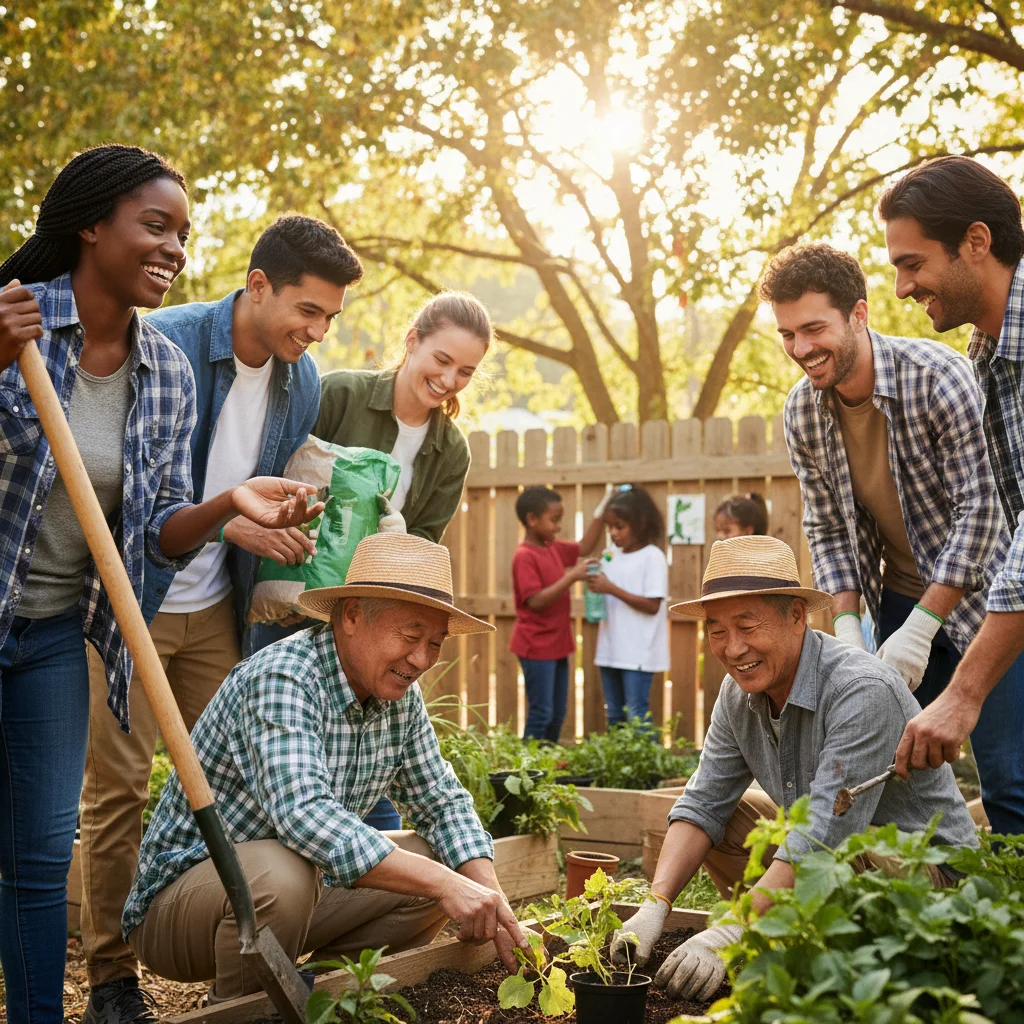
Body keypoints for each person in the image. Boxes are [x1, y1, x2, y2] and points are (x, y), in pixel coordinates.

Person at [0, 145, 323, 1024]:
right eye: (156, 225)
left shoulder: (167, 370)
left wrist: (227, 505)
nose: (175, 247)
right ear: (90, 223)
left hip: (64, 631)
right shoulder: (12, 322)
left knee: (34, 861)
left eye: (184, 232)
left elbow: (151, 530)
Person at [77, 214, 364, 1024]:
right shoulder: (160, 343)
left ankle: (240, 949)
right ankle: (107, 978)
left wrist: (283, 520)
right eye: (307, 311)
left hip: (217, 614)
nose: (317, 331)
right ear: (258, 285)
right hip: (131, 603)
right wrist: (227, 518)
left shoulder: (299, 381)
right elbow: (119, 497)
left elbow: (257, 497)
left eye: (330, 319)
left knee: (250, 781)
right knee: (120, 790)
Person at [122, 533, 530, 1002]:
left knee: (441, 858)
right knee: (284, 872)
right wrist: (447, 885)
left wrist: (491, 897)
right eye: (411, 636)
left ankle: (324, 997)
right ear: (352, 615)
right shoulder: (283, 677)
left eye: (434, 643)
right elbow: (304, 816)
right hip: (181, 906)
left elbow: (442, 802)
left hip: (292, 888)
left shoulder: (398, 695)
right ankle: (238, 1011)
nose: (422, 659)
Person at [608, 535, 978, 1002]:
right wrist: (656, 904)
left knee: (841, 850)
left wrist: (727, 929)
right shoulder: (738, 693)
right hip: (835, 852)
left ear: (797, 617)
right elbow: (703, 802)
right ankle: (775, 935)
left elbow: (826, 834)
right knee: (728, 816)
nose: (733, 647)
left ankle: (787, 944)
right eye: (717, 631)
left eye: (747, 625)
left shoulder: (861, 689)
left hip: (929, 881)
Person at [762, 242, 1024, 835]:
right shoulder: (803, 411)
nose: (801, 349)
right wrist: (850, 626)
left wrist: (925, 629)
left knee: (1010, 778)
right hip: (899, 604)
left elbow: (981, 509)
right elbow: (827, 527)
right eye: (786, 335)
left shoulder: (939, 376)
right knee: (899, 772)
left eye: (813, 328)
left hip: (992, 603)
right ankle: (927, 914)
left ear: (859, 313)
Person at [312, 290, 492, 829]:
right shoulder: (340, 395)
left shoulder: (450, 449)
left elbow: (422, 550)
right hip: (300, 610)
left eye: (465, 371)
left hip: (373, 629)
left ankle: (379, 872)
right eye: (442, 360)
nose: (449, 380)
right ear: (412, 341)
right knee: (301, 758)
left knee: (370, 762)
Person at [878, 156, 1024, 788]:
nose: (903, 288)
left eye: (914, 264)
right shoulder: (986, 357)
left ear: (976, 241)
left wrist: (965, 692)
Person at [509, 486, 606, 741]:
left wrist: (602, 512)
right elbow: (536, 601)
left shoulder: (552, 547)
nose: (558, 526)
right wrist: (572, 576)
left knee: (557, 713)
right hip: (536, 645)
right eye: (554, 519)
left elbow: (584, 546)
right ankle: (527, 770)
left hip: (557, 644)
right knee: (541, 712)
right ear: (532, 520)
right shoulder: (524, 556)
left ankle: (547, 767)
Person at [586, 484, 670, 727]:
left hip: (638, 653)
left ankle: (648, 766)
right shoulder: (612, 554)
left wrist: (610, 588)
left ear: (641, 523)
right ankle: (620, 765)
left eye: (620, 527)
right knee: (614, 715)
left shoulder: (652, 557)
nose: (613, 533)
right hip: (610, 650)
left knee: (636, 715)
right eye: (610, 527)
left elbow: (653, 605)